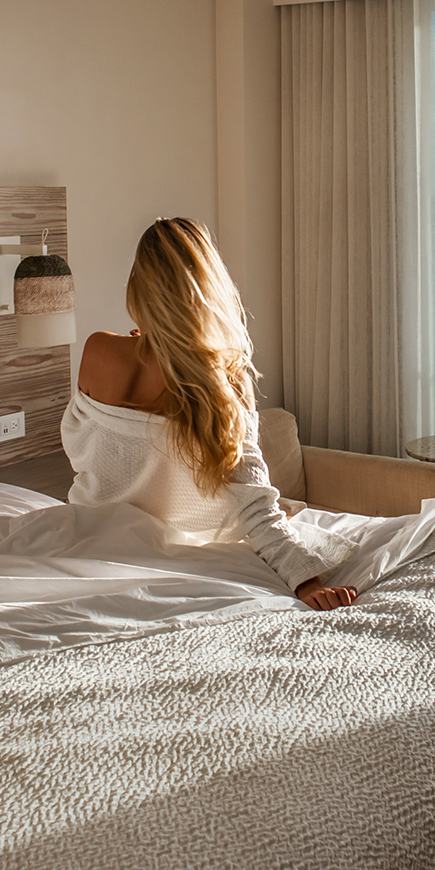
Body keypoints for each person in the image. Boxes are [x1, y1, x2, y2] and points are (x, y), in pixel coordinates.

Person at [60, 218, 357, 610]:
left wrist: (147, 347)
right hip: (177, 558)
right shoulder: (228, 382)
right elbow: (255, 509)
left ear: (139, 288)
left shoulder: (99, 351)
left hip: (82, 545)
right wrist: (306, 581)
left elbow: (83, 454)